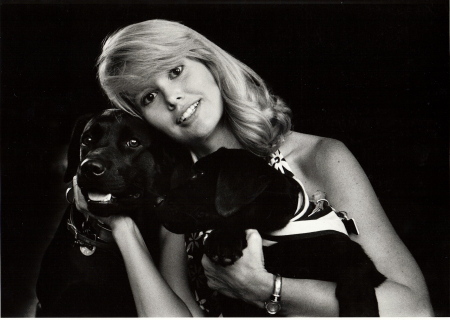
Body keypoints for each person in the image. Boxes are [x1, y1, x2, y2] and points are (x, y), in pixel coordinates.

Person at [73, 19, 433, 317]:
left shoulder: (319, 156)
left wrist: (264, 289)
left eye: (176, 70)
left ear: (207, 60)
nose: (172, 97)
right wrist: (121, 228)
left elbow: (415, 310)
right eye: (148, 97)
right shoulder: (179, 198)